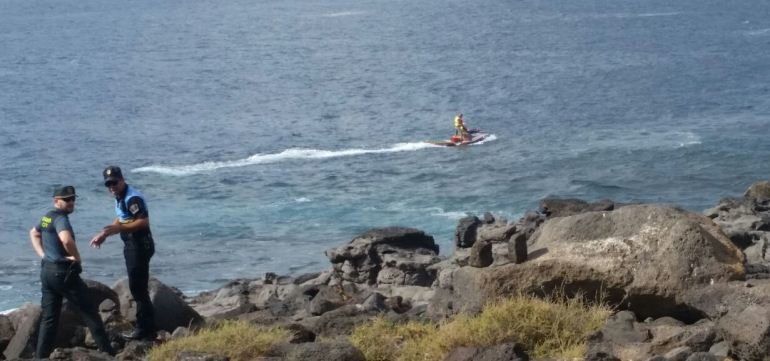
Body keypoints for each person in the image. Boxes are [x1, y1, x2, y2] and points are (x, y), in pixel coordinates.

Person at [30, 186, 115, 358]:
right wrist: (76, 257)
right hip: (63, 273)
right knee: (90, 312)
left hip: (47, 272)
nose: (71, 203)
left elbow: (34, 233)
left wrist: (44, 256)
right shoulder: (61, 219)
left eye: (73, 199)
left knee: (49, 318)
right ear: (56, 201)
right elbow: (66, 239)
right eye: (66, 200)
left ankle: (41, 357)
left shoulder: (47, 217)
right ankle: (108, 353)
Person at [89, 166, 157, 340]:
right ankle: (146, 327)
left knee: (138, 288)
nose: (111, 187)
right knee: (137, 287)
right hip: (131, 244)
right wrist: (105, 234)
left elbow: (143, 222)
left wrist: (118, 229)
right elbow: (121, 218)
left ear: (122, 179)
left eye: (114, 182)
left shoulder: (132, 198)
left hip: (140, 244)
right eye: (108, 184)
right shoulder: (120, 197)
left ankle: (146, 330)